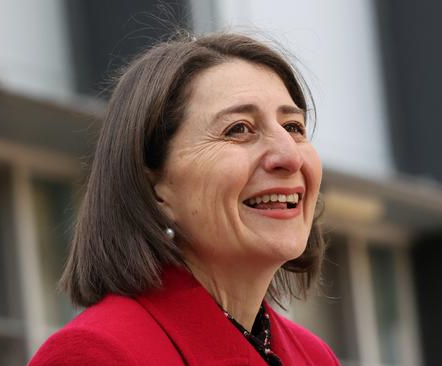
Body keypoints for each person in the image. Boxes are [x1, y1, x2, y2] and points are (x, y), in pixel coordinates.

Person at [29, 31, 339, 366]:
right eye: (238, 129)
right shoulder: (95, 354)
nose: (289, 156)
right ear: (155, 186)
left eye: (293, 127)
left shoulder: (314, 357)